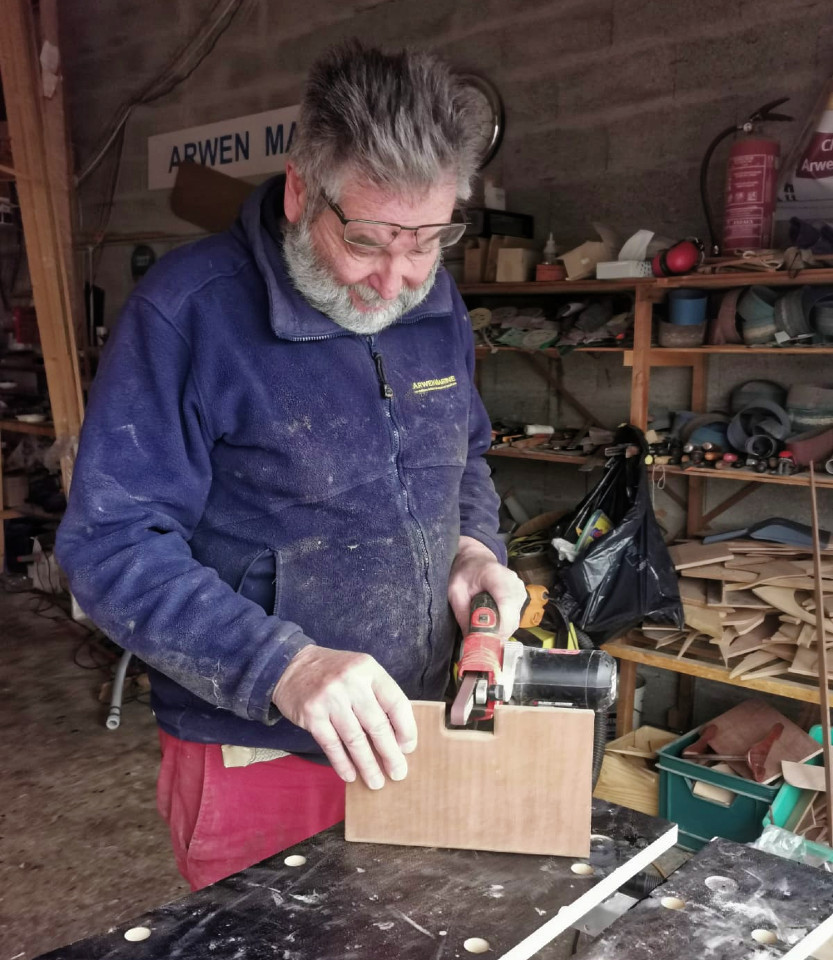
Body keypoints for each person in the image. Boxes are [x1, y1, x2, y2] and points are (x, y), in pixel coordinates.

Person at [55, 40, 526, 890]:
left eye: (428, 241)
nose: (395, 280)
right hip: (254, 747)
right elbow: (108, 549)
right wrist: (286, 666)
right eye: (371, 240)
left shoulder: (434, 301)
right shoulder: (187, 314)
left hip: (422, 722)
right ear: (301, 191)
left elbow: (464, 453)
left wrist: (473, 550)